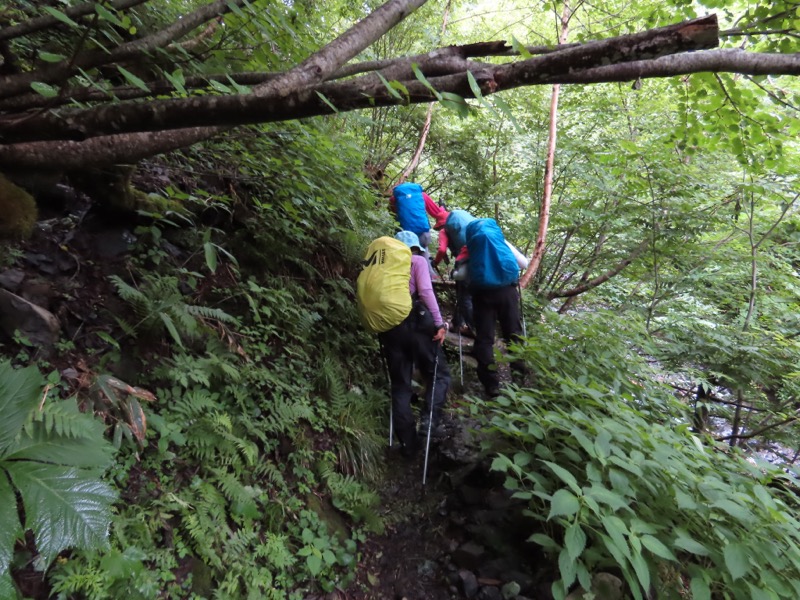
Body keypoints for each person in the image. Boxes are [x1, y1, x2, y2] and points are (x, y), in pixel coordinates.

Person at [378, 230, 451, 458]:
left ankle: (409, 446)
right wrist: (440, 323)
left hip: (390, 327)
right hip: (416, 322)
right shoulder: (417, 260)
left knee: (400, 385)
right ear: (416, 247)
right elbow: (426, 291)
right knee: (438, 374)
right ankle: (429, 424)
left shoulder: (384, 265)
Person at [461, 219, 529, 398]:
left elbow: (461, 274)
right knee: (513, 333)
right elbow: (524, 263)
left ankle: (491, 385)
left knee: (484, 339)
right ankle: (519, 379)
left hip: (482, 295)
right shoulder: (501, 241)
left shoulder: (471, 246)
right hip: (507, 292)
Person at [390, 182, 447, 279]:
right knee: (424, 255)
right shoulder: (422, 195)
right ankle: (430, 280)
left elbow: (394, 216)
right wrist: (442, 207)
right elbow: (438, 213)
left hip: (406, 237)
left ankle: (412, 286)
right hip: (423, 233)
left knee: (411, 263)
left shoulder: (394, 199)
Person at [433, 210, 474, 336]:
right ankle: (457, 323)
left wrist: (435, 262)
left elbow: (441, 249)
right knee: (465, 293)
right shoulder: (465, 228)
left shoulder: (444, 231)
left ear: (441, 225)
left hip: (463, 262)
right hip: (477, 259)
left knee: (464, 296)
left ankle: (474, 328)